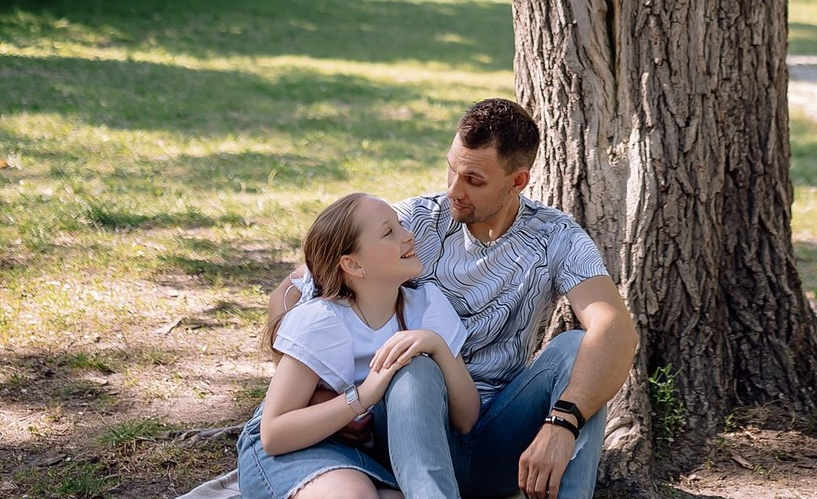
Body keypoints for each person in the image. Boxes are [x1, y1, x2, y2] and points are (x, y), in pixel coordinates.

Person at [269, 99, 638, 499]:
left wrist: (562, 422)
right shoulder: (412, 224)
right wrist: (325, 388)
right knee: (414, 365)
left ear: (518, 181)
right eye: (452, 168)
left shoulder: (557, 237)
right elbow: (295, 293)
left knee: (579, 352)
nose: (454, 190)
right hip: (403, 429)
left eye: (474, 180)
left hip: (495, 431)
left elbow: (614, 330)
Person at [239, 192, 480, 499]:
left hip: (372, 456)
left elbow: (467, 418)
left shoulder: (427, 306)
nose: (408, 236)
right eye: (389, 232)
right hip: (299, 449)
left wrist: (436, 346)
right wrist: (365, 395)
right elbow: (274, 435)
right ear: (353, 265)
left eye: (401, 225)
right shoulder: (322, 321)